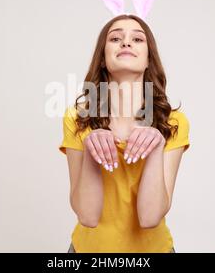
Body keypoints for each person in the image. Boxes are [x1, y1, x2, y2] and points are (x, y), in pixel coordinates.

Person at [58, 14, 190, 253]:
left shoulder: (173, 122)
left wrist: (156, 146)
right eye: (115, 38)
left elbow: (149, 218)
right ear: (102, 59)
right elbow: (87, 216)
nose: (126, 43)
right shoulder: (76, 120)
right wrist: (90, 147)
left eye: (137, 39)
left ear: (149, 59)